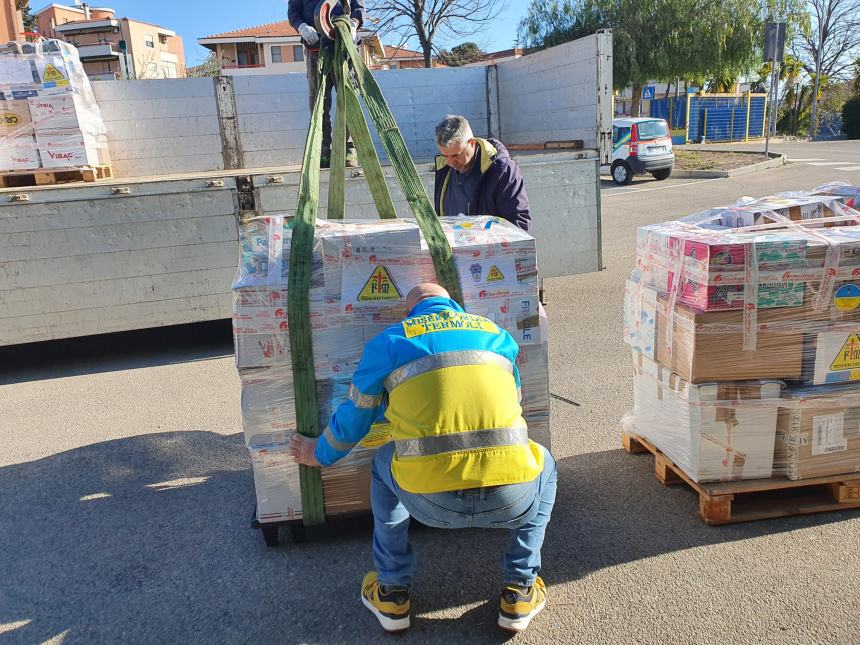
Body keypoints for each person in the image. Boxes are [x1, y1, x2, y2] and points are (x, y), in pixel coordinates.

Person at [290, 283, 557, 634]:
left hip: (430, 505)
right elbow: (511, 403)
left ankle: (391, 591)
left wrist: (317, 454)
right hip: (512, 500)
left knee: (384, 461)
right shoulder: (497, 335)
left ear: (409, 312)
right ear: (454, 307)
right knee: (545, 463)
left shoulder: (389, 342)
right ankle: (521, 587)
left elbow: (355, 418)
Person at [288, 0, 365, 168]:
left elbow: (358, 8)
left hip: (344, 47)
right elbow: (293, 13)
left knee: (348, 98)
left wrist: (353, 23)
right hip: (315, 48)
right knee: (318, 102)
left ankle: (349, 148)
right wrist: (301, 27)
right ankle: (323, 150)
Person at [433, 114, 530, 231]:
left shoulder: (502, 170)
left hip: (488, 247)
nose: (451, 163)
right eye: (445, 156)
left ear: (472, 143)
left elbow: (518, 221)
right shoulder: (444, 167)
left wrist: (484, 242)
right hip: (453, 246)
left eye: (456, 156)